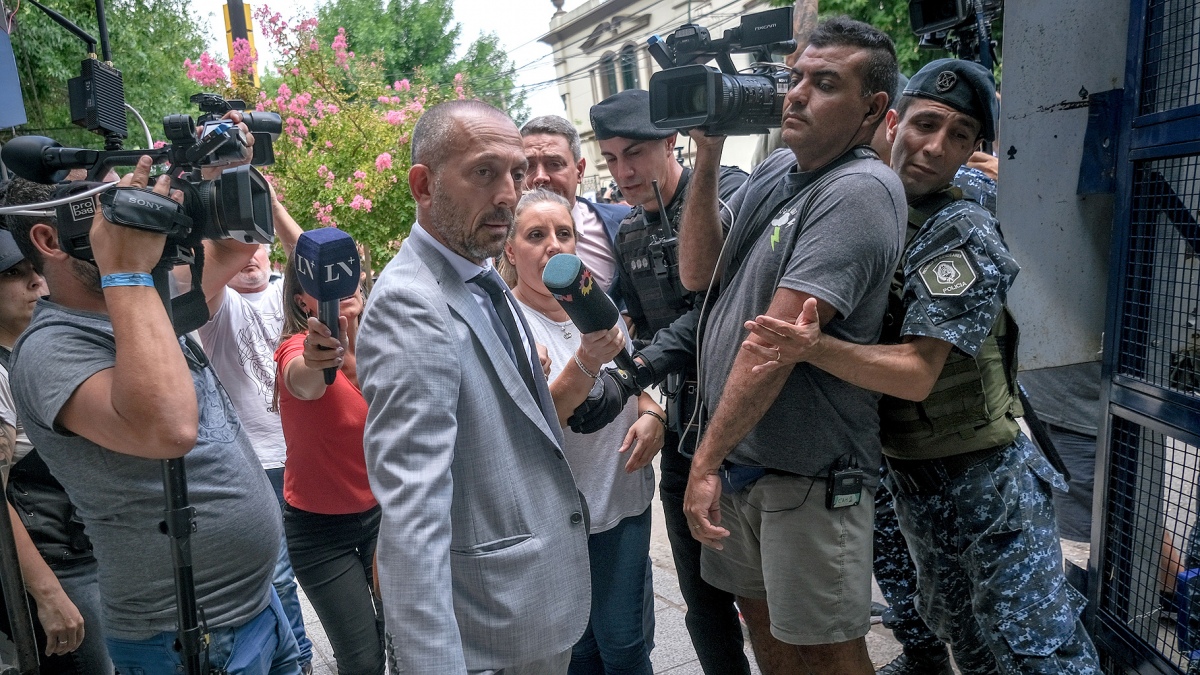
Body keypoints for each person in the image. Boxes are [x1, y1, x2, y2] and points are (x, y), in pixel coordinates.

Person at [743, 58, 1103, 673]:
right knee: (967, 642)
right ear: (892, 122)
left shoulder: (959, 228)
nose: (935, 147)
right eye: (926, 124)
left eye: (959, 135)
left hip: (989, 482)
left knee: (1038, 653)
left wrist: (813, 347)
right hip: (913, 478)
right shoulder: (866, 207)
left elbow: (916, 372)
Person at [7, 142, 299, 672]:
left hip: (257, 609)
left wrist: (224, 168)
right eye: (106, 205)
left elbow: (236, 247)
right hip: (184, 637)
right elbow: (169, 430)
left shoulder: (147, 298)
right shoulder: (51, 348)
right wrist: (125, 273)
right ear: (50, 239)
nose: (130, 213)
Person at [677, 16, 906, 674]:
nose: (797, 94)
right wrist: (709, 157)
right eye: (797, 78)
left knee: (828, 650)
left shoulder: (857, 190)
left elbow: (771, 347)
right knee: (771, 639)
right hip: (744, 468)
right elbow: (698, 272)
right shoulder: (777, 169)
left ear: (872, 110)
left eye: (825, 83)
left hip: (807, 476)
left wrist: (703, 461)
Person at [357, 99, 592, 674]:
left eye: (515, 173)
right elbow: (412, 520)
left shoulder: (481, 273)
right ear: (423, 184)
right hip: (487, 631)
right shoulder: (412, 307)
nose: (509, 193)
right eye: (484, 172)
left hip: (529, 607)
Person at [572, 87, 752, 675]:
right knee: (701, 598)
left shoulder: (728, 193)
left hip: (748, 425)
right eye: (612, 158)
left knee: (761, 592)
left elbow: (716, 310)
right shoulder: (628, 234)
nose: (623, 172)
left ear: (671, 141)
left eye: (636, 154)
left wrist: (632, 375)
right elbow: (647, 328)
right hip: (682, 430)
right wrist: (645, 394)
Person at [503, 188, 664, 674]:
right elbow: (538, 419)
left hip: (623, 503)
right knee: (578, 651)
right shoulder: (507, 323)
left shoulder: (598, 304)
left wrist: (655, 413)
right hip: (557, 521)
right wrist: (586, 362)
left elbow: (639, 375)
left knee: (625, 643)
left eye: (563, 233)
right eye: (536, 235)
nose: (553, 244)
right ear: (510, 250)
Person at [190, 193, 313, 673]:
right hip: (256, 462)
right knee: (278, 575)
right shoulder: (219, 308)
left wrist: (275, 210)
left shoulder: (294, 295)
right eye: (241, 244)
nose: (250, 254)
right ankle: (301, 659)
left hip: (307, 456)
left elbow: (319, 261)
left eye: (257, 241)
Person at [0, 219, 111, 674]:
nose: (35, 281)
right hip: (58, 565)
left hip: (98, 548)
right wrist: (47, 592)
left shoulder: (47, 345)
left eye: (34, 267)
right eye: (12, 273)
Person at [274, 252, 384, 675]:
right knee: (363, 661)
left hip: (384, 518)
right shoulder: (297, 349)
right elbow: (299, 378)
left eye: (349, 272)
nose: (344, 283)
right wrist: (318, 360)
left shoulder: (382, 344)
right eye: (325, 281)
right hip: (320, 534)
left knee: (405, 638)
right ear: (304, 301)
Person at [520, 115, 629, 297]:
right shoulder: (499, 242)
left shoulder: (624, 222)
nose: (540, 177)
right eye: (528, 166)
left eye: (554, 164)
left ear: (580, 170)